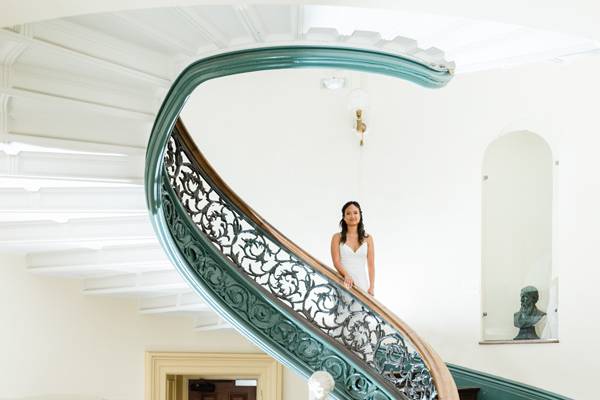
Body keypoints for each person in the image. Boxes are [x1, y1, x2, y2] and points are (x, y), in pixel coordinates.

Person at [330, 201, 375, 296]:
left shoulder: (368, 238)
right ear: (344, 217)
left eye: (355, 212)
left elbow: (371, 265)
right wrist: (346, 275)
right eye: (348, 213)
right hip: (344, 281)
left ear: (360, 215)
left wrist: (371, 287)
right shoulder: (337, 237)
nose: (352, 216)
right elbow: (336, 262)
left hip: (363, 284)